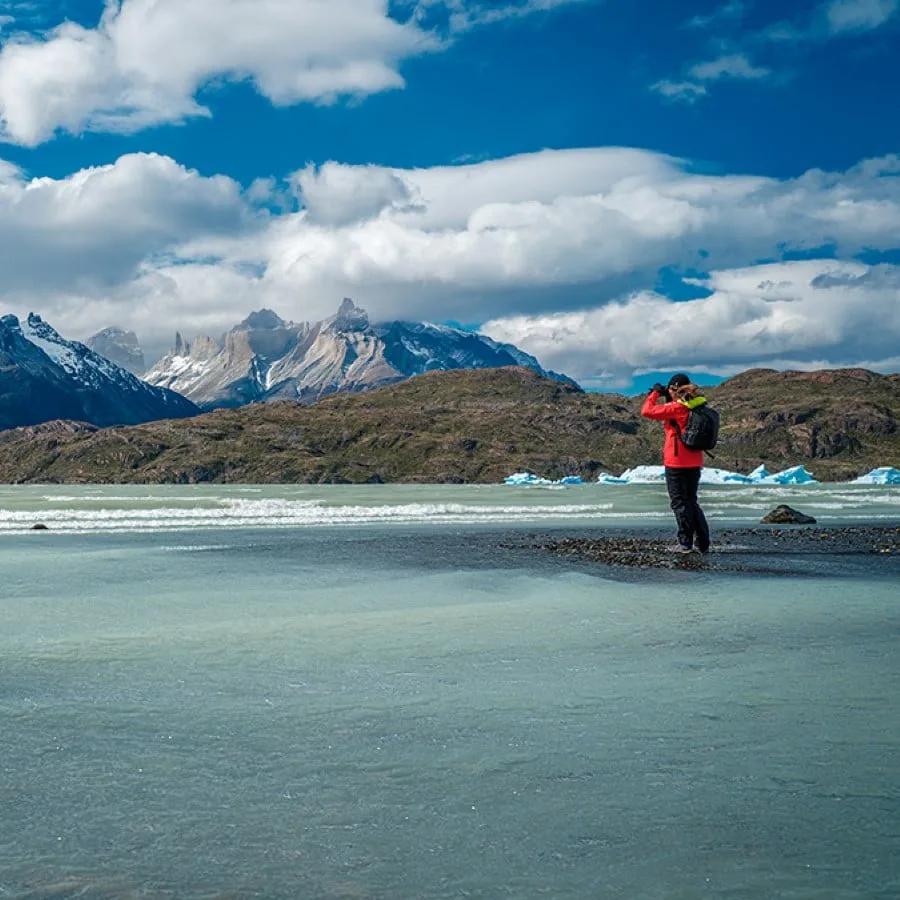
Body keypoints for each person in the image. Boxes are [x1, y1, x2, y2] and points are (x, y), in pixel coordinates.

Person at [640, 373, 710, 554]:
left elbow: (647, 411)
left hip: (676, 461)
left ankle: (685, 543)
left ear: (673, 390)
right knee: (692, 501)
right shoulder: (698, 404)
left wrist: (655, 393)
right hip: (695, 460)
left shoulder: (677, 407)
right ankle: (703, 542)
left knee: (679, 503)